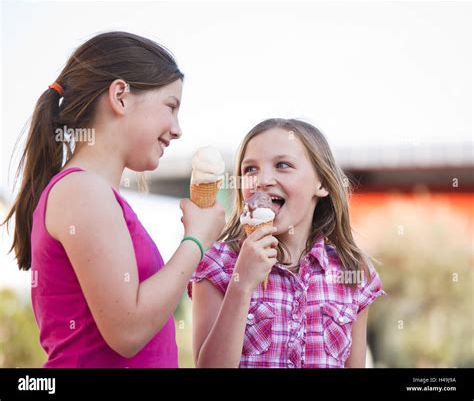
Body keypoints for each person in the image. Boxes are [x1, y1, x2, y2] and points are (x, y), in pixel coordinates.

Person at [2, 31, 225, 367]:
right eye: (171, 106)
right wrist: (196, 240)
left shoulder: (93, 194)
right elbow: (128, 331)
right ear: (120, 96)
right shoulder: (82, 192)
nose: (177, 129)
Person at [190, 118, 385, 368]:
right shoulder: (218, 263)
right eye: (250, 169)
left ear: (322, 183)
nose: (261, 180)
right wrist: (242, 284)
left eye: (282, 165)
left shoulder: (352, 272)